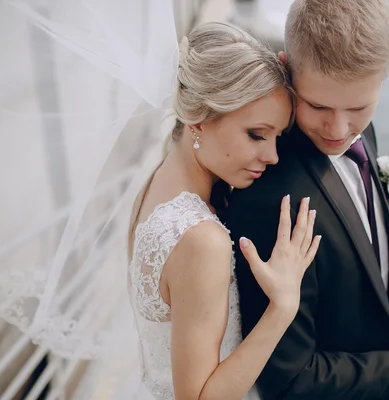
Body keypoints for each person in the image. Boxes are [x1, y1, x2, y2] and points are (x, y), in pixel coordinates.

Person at [224, 1, 389, 399]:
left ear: (387, 72)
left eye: (358, 107)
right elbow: (287, 378)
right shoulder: (269, 199)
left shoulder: (362, 135)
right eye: (317, 105)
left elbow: (373, 256)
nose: (338, 129)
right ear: (287, 69)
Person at [126, 21, 321, 400]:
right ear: (198, 117)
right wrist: (282, 306)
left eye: (277, 137)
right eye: (256, 134)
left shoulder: (155, 184)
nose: (273, 156)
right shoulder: (202, 240)